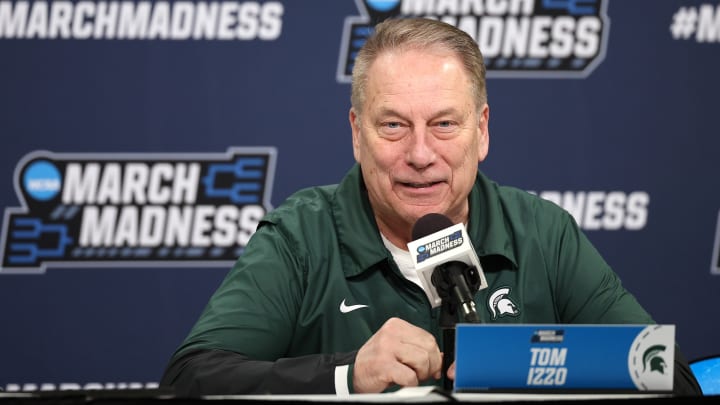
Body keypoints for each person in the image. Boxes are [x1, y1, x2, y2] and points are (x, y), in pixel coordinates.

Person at [160, 17, 702, 396]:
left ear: (481, 131)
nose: (420, 154)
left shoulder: (542, 231)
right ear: (357, 134)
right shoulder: (301, 236)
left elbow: (666, 375)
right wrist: (347, 377)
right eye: (393, 125)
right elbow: (191, 380)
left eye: (444, 124)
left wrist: (528, 363)